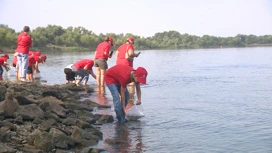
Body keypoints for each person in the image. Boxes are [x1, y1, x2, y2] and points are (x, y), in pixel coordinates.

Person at [115, 37, 141, 102]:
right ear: (131, 41)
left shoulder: (121, 46)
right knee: (131, 81)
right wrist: (136, 55)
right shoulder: (129, 46)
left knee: (121, 80)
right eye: (133, 42)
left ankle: (121, 96)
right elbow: (131, 53)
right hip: (127, 65)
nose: (133, 44)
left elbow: (116, 54)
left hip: (119, 64)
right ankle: (131, 98)